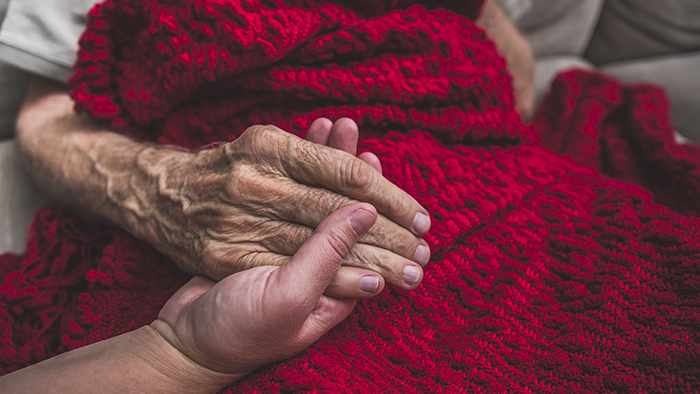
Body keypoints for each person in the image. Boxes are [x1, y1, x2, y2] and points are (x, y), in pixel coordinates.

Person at [1, 0, 699, 392]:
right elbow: (47, 118)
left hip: (483, 162)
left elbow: (500, 71)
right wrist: (165, 187)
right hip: (242, 154)